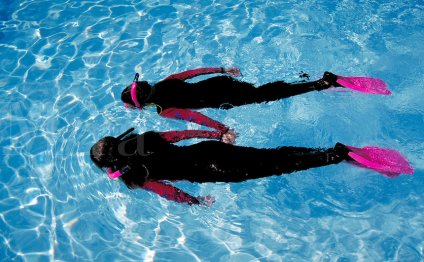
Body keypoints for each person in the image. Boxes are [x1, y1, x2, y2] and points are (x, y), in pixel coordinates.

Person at [90, 128, 413, 206]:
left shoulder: (134, 176)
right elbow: (181, 133)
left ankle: (338, 155)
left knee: (278, 167)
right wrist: (215, 132)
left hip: (214, 169)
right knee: (272, 153)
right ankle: (330, 150)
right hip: (210, 148)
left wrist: (195, 201)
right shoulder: (144, 139)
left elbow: (167, 191)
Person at [120, 68, 343, 136]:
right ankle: (304, 78)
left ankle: (319, 85)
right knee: (261, 91)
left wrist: (221, 129)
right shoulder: (165, 81)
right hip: (219, 82)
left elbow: (194, 117)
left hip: (223, 98)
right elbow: (194, 72)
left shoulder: (162, 110)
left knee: (266, 95)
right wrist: (222, 69)